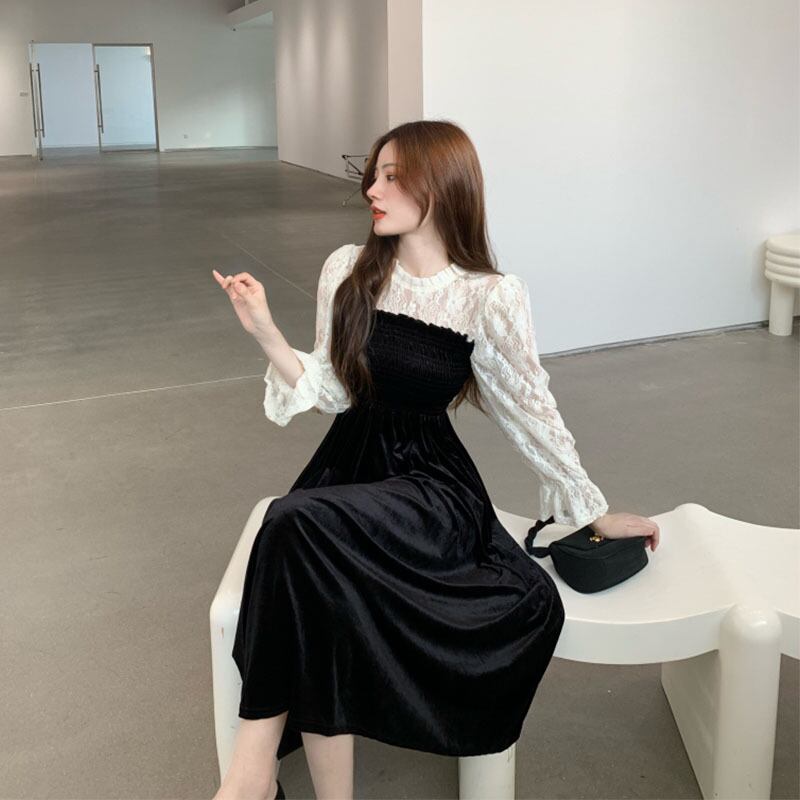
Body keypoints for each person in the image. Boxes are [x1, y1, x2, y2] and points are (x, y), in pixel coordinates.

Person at [210, 120, 660, 800]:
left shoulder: (487, 295)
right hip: (350, 465)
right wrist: (265, 331)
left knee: (293, 523)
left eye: (393, 176)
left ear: (443, 186)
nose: (372, 188)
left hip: (428, 484)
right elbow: (333, 390)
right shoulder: (348, 268)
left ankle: (249, 775)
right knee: (306, 554)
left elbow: (530, 410)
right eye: (374, 173)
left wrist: (591, 511)